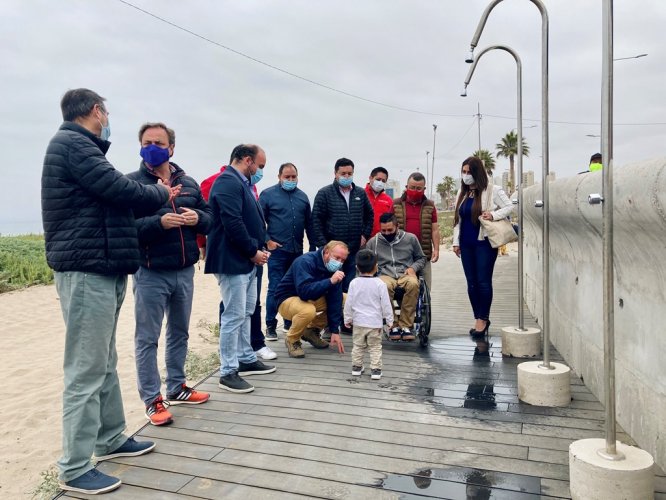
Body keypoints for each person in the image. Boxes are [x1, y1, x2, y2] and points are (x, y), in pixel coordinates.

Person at [42, 89, 176, 494]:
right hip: (86, 269)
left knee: (103, 361)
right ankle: (75, 466)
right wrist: (161, 192)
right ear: (97, 111)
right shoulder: (73, 143)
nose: (107, 118)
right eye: (107, 112)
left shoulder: (82, 147)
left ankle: (111, 436)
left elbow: (112, 198)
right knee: (85, 368)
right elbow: (123, 191)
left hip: (103, 266)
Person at [127, 122, 213, 426]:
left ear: (171, 148)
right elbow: (126, 229)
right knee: (147, 338)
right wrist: (159, 223)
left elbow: (210, 220)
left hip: (184, 270)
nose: (152, 147)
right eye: (147, 141)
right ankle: (153, 400)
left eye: (159, 142)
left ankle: (177, 387)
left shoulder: (188, 182)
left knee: (180, 332)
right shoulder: (132, 184)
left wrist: (197, 217)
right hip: (150, 271)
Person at [205, 144, 276, 394]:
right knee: (233, 315)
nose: (260, 171)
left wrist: (260, 245)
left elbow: (250, 220)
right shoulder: (227, 182)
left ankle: (246, 358)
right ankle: (228, 371)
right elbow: (232, 222)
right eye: (260, 165)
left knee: (246, 310)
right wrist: (251, 251)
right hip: (232, 259)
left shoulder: (243, 184)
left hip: (246, 259)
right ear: (248, 160)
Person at [452, 156, 514, 336]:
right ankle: (477, 316)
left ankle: (483, 319)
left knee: (483, 282)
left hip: (484, 243)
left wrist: (493, 215)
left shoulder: (493, 190)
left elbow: (510, 206)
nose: (465, 176)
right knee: (471, 283)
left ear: (477, 172)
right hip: (466, 243)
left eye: (469, 172)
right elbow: (458, 221)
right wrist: (456, 243)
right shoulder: (461, 193)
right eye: (463, 172)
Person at [259, 162, 315, 341]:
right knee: (275, 287)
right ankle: (270, 325)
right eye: (287, 177)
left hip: (297, 251)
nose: (291, 180)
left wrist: (312, 248)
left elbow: (309, 224)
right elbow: (258, 222)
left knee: (293, 288)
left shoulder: (303, 197)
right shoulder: (267, 195)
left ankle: (288, 322)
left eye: (293, 177)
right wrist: (267, 241)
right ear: (279, 177)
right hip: (277, 252)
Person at [275, 240, 349, 358]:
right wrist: (330, 281)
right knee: (308, 310)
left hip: (311, 298)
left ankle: (311, 331)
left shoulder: (336, 269)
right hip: (287, 299)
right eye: (337, 258)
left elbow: (335, 300)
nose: (339, 262)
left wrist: (335, 331)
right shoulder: (305, 261)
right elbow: (304, 292)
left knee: (344, 299)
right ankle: (292, 340)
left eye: (343, 260)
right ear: (326, 253)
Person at [312, 158, 374, 293]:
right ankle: (335, 314)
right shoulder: (324, 193)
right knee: (333, 287)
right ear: (335, 174)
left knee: (351, 287)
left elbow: (370, 215)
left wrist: (365, 234)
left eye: (349, 173)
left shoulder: (360, 193)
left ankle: (348, 313)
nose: (346, 176)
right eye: (343, 173)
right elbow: (316, 221)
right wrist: (324, 246)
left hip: (353, 250)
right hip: (333, 253)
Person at [366, 213, 426, 341]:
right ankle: (392, 325)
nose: (387, 233)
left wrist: (413, 268)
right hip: (385, 274)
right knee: (383, 286)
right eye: (383, 230)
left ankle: (406, 326)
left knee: (414, 284)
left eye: (390, 230)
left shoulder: (410, 239)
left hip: (405, 272)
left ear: (397, 227)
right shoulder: (373, 242)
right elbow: (367, 262)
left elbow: (421, 258)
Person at [343, 249, 393, 380]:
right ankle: (376, 370)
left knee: (358, 346)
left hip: (358, 322)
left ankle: (356, 367)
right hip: (375, 324)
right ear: (376, 267)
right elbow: (386, 304)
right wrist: (389, 320)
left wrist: (347, 318)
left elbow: (349, 303)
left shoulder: (354, 283)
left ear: (357, 268)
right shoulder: (380, 283)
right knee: (375, 347)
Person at [392, 172, 440, 289]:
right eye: (412, 187)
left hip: (423, 254)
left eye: (419, 188)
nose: (415, 190)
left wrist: (437, 249)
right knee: (402, 289)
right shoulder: (395, 204)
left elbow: (434, 229)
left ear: (424, 189)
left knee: (426, 289)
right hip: (402, 255)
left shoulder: (430, 205)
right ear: (406, 187)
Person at [364, 166, 394, 237]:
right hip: (362, 239)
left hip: (381, 239)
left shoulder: (388, 200)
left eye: (383, 181)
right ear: (370, 178)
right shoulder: (360, 195)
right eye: (378, 179)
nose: (380, 182)